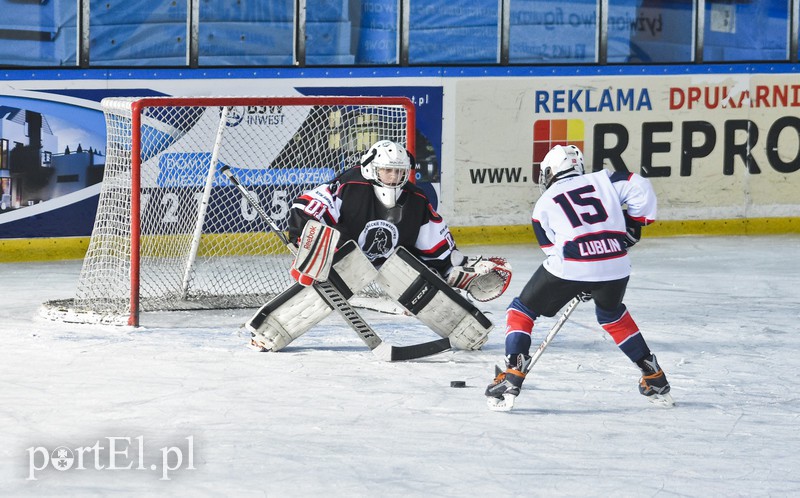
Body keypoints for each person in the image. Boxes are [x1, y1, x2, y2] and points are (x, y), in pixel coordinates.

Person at [485, 144, 672, 410]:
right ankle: (652, 374)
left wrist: (580, 280)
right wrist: (635, 223)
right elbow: (639, 184)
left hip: (574, 264)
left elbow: (553, 252)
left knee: (521, 311)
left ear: (550, 172)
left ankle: (513, 372)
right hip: (616, 264)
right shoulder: (602, 180)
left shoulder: (544, 204)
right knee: (612, 315)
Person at [288, 139, 509, 298]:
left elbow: (435, 243)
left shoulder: (416, 199)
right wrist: (307, 243)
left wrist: (455, 267)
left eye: (399, 171)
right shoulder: (349, 185)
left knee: (426, 270)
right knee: (321, 236)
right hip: (342, 260)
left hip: (391, 268)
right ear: (371, 168)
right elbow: (306, 208)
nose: (394, 177)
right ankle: (312, 270)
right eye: (387, 170)